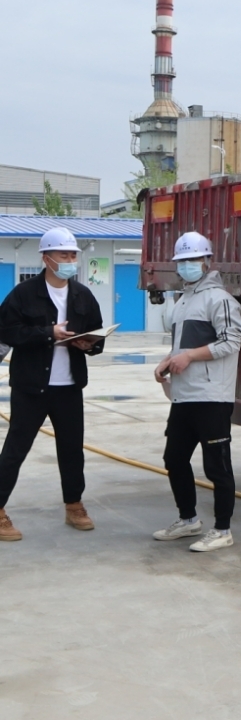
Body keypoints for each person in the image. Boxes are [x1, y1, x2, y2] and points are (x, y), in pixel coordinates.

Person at [0, 227, 104, 541]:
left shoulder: (83, 295)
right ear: (46, 258)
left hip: (69, 387)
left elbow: (97, 332)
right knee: (15, 450)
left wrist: (89, 345)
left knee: (72, 450)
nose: (70, 260)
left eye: (73, 255)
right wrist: (48, 333)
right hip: (31, 387)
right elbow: (7, 331)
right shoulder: (24, 293)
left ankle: (74, 505)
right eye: (64, 255)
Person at [152, 232, 241, 553]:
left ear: (207, 261)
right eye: (182, 261)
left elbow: (231, 341)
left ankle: (222, 530)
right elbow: (183, 346)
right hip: (184, 395)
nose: (187, 266)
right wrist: (168, 360)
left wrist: (190, 357)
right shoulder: (183, 301)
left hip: (211, 396)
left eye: (193, 260)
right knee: (174, 458)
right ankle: (188, 519)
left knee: (216, 466)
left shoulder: (220, 299)